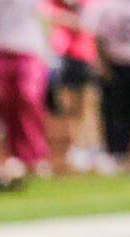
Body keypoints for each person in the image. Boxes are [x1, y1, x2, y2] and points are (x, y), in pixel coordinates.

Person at [0, 0, 53, 179]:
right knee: (8, 106)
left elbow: (43, 15)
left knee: (30, 100)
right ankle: (16, 155)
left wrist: (47, 51)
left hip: (28, 49)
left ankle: (37, 155)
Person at [83, 0, 130, 173]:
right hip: (128, 62)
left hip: (124, 62)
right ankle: (117, 153)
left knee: (119, 112)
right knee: (120, 112)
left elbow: (99, 36)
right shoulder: (129, 7)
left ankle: (120, 154)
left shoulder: (110, 6)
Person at [44, 0, 104, 172]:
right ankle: (78, 145)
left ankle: (92, 145)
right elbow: (51, 17)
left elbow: (90, 23)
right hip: (64, 56)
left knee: (89, 103)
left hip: (86, 56)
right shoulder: (54, 3)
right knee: (70, 105)